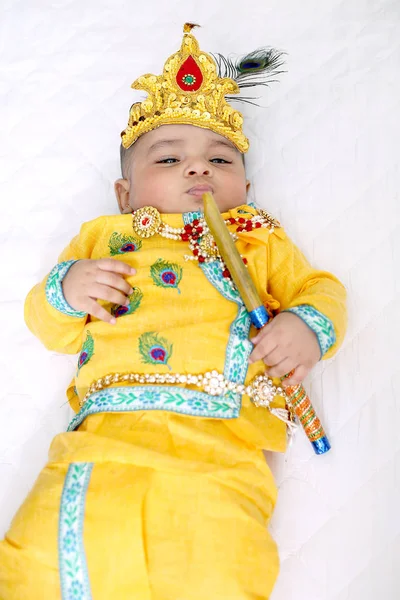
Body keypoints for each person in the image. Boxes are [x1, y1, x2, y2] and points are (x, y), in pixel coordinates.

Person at [0, 23, 347, 599]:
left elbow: (321, 288)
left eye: (220, 158)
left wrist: (306, 325)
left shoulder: (259, 239)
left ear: (247, 186)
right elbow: (47, 324)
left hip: (223, 450)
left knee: (222, 566)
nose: (198, 168)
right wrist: (68, 290)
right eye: (168, 158)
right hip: (105, 438)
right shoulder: (102, 238)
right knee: (39, 559)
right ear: (124, 195)